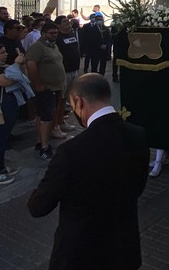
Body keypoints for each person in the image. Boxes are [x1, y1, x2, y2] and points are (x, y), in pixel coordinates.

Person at [28, 73, 149, 270]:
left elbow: (38, 207)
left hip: (81, 253)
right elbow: (137, 187)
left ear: (78, 101)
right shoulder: (138, 134)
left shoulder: (71, 151)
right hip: (123, 247)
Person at [0, 44, 32, 185]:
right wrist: (16, 65)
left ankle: (1, 167)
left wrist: (21, 66)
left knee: (4, 139)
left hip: (11, 104)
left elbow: (23, 77)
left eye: (5, 52)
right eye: (2, 52)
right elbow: (8, 81)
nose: (5, 54)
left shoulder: (6, 67)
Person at [27, 21, 66, 160]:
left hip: (56, 87)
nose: (54, 35)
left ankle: (39, 141)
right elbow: (31, 65)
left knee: (43, 115)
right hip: (45, 88)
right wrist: (37, 84)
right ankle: (44, 147)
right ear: (43, 33)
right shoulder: (38, 47)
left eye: (56, 33)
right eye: (51, 33)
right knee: (46, 117)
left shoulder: (53, 45)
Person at [53, 15, 81, 137]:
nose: (68, 23)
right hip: (63, 72)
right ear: (58, 26)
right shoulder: (57, 38)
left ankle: (62, 121)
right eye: (64, 22)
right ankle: (55, 126)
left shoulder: (71, 35)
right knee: (59, 99)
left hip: (73, 70)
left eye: (68, 21)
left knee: (65, 98)